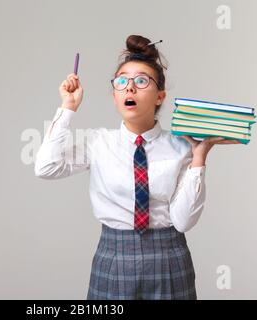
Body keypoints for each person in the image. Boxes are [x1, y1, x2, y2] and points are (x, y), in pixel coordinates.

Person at [34, 34, 240, 300]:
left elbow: (184, 221)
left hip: (169, 258)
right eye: (122, 81)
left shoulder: (181, 145)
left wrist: (199, 157)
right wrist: (68, 107)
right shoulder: (97, 142)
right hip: (114, 257)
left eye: (141, 81)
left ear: (159, 96)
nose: (129, 88)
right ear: (115, 94)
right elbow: (46, 167)